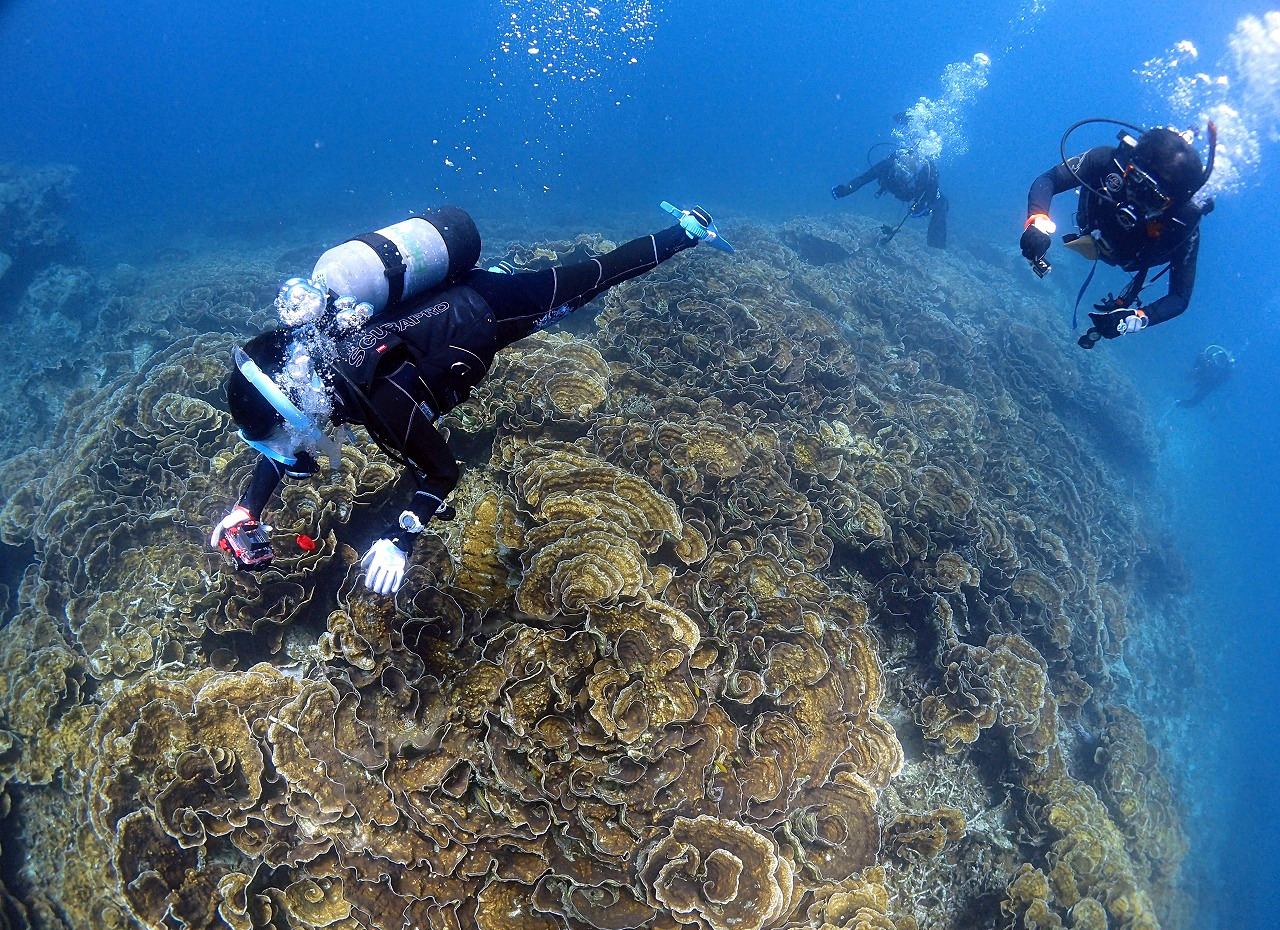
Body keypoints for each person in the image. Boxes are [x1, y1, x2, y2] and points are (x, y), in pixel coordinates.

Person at [210, 201, 731, 594]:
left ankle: (687, 230)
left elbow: (442, 474)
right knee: (567, 281)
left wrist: (400, 537)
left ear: (297, 407)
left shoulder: (381, 403)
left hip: (490, 309)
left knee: (595, 278)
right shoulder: (317, 360)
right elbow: (283, 441)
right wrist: (246, 509)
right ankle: (513, 273)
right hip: (450, 296)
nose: (295, 449)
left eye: (289, 438)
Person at [1019, 121, 1216, 350]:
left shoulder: (1184, 223)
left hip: (1130, 255)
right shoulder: (1108, 161)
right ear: (1129, 164)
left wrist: (1137, 318)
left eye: (1155, 198)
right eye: (1136, 181)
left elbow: (1180, 297)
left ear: (1176, 203)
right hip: (1096, 230)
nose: (1137, 199)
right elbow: (1050, 179)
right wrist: (1037, 222)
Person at [832, 146, 948, 249]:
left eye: (906, 175)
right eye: (900, 172)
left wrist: (926, 209)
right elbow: (865, 178)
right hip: (897, 188)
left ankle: (936, 244)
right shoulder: (889, 164)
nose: (901, 177)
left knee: (942, 204)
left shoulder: (927, 176)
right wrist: (846, 189)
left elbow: (937, 201)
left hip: (914, 195)